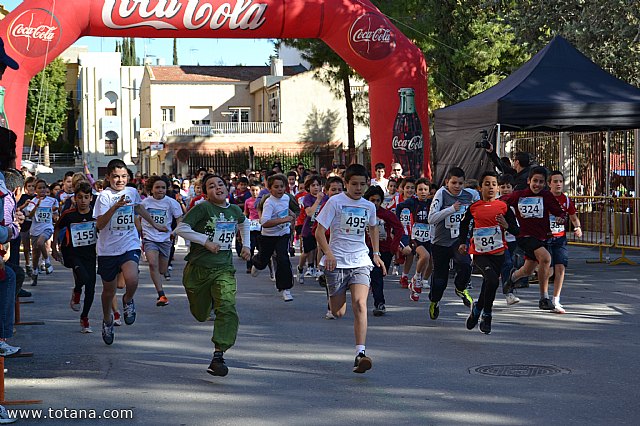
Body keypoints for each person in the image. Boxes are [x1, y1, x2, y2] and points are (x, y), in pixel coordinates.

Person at [174, 174, 250, 376]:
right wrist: (204, 242)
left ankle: (219, 355)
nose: (217, 187)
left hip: (223, 268)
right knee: (200, 314)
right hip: (198, 269)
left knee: (227, 306)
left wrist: (247, 246)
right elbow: (180, 229)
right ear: (205, 192)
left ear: (227, 188)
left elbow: (245, 223)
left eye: (220, 184)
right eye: (211, 186)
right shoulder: (202, 208)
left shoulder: (234, 210)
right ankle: (206, 307)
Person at [315, 164, 384, 373]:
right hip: (336, 262)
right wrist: (328, 253)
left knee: (361, 304)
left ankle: (360, 353)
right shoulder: (335, 202)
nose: (358, 188)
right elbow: (319, 232)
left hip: (360, 260)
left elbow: (372, 227)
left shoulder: (368, 206)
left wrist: (376, 253)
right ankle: (333, 295)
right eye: (354, 184)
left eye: (362, 184)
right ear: (346, 184)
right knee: (338, 312)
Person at [94, 159, 168, 345]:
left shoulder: (132, 192)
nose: (120, 180)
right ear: (109, 177)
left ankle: (128, 300)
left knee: (132, 278)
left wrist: (155, 224)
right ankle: (107, 319)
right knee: (109, 291)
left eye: (124, 176)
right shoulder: (104, 197)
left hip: (129, 243)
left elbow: (139, 208)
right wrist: (115, 207)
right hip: (108, 249)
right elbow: (100, 224)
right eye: (116, 177)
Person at [458, 171, 520, 334]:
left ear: (498, 188)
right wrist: (462, 243)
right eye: (487, 184)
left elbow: (516, 230)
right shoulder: (474, 207)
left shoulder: (504, 207)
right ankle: (487, 315)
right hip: (480, 253)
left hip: (498, 253)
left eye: (494, 184)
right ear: (480, 188)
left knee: (488, 284)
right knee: (492, 280)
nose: (491, 187)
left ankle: (477, 309)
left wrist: (506, 225)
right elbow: (464, 225)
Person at [502, 166, 568, 311]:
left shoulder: (546, 196)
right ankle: (544, 298)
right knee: (545, 258)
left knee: (527, 270)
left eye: (541, 182)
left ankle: (511, 279)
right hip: (524, 236)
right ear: (528, 181)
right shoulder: (519, 195)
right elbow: (502, 202)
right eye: (535, 181)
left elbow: (560, 212)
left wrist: (561, 218)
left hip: (541, 237)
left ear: (545, 184)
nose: (537, 185)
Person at [427, 167, 479, 320]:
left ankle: (460, 288)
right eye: (453, 183)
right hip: (440, 242)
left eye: (460, 183)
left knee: (465, 264)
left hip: (458, 240)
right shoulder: (441, 194)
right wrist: (451, 209)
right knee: (440, 281)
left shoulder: (470, 195)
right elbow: (431, 218)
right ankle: (434, 301)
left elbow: (479, 208)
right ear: (446, 182)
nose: (457, 186)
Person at [52, 182, 97, 333]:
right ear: (75, 199)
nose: (83, 200)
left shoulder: (96, 214)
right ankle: (77, 291)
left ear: (91, 198)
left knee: (91, 289)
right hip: (72, 253)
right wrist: (53, 247)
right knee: (83, 278)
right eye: (80, 197)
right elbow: (57, 226)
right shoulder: (69, 214)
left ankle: (84, 318)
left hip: (90, 254)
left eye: (86, 197)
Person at [139, 176, 183, 306]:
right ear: (151, 189)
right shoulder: (145, 203)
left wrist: (175, 232)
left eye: (163, 187)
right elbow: (138, 217)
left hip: (165, 239)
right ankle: (161, 294)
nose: (160, 190)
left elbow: (179, 219)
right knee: (152, 264)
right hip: (149, 238)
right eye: (157, 187)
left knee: (162, 270)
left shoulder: (171, 203)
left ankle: (164, 271)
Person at [251, 174, 296, 301]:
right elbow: (264, 222)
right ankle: (257, 264)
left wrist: (290, 216)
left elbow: (287, 210)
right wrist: (282, 220)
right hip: (269, 236)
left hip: (283, 234)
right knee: (264, 259)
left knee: (283, 258)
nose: (280, 189)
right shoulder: (269, 203)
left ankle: (285, 288)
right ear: (269, 189)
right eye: (276, 187)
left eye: (282, 186)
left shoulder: (286, 198)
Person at [546, 170, 582, 313]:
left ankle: (556, 300)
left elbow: (573, 217)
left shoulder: (566, 200)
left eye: (560, 181)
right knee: (548, 270)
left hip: (559, 238)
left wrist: (578, 227)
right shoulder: (544, 198)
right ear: (549, 184)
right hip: (545, 238)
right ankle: (545, 297)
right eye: (555, 181)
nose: (558, 184)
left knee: (560, 268)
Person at [364, 185, 403, 316]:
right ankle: (379, 303)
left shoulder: (386, 214)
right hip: (367, 249)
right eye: (372, 200)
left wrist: (394, 247)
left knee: (378, 275)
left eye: (377, 201)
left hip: (385, 250)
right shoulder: (363, 212)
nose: (374, 203)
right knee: (375, 274)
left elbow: (399, 228)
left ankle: (374, 293)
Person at [397, 177, 433, 301]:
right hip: (416, 237)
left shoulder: (432, 203)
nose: (423, 192)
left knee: (429, 261)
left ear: (429, 192)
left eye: (425, 190)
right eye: (420, 190)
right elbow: (399, 207)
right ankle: (416, 278)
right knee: (425, 256)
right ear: (416, 192)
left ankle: (416, 286)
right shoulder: (413, 202)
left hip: (429, 236)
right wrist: (397, 221)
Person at [24, 179, 59, 285]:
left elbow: (56, 211)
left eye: (44, 187)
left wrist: (55, 214)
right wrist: (37, 206)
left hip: (47, 227)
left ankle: (47, 262)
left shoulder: (52, 200)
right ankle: (34, 272)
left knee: (41, 242)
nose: (42, 190)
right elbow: (29, 216)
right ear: (35, 190)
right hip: (35, 229)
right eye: (39, 188)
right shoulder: (32, 201)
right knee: (35, 254)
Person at [497, 174, 522, 305]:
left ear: (513, 188)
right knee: (506, 264)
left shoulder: (516, 203)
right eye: (502, 187)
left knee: (514, 264)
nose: (505, 189)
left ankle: (510, 285)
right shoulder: (496, 203)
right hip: (500, 240)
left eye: (508, 187)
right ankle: (509, 293)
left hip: (514, 238)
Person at [297, 175, 323, 282]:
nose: (316, 188)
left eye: (318, 185)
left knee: (320, 248)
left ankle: (319, 270)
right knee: (307, 252)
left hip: (320, 228)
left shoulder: (326, 197)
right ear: (308, 187)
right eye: (313, 185)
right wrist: (317, 201)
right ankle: (300, 268)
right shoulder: (307, 198)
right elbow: (309, 213)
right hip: (308, 228)